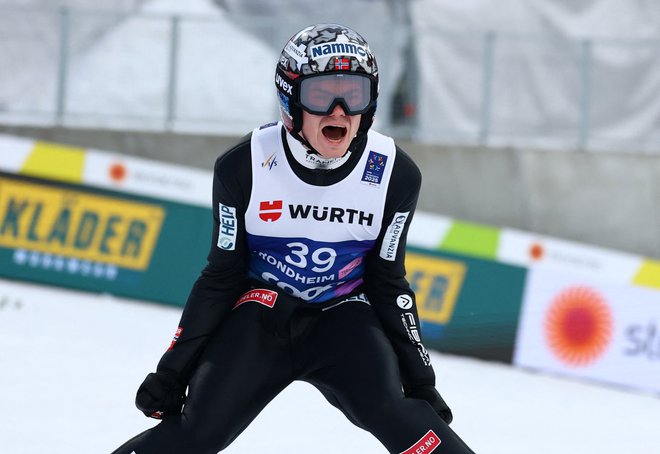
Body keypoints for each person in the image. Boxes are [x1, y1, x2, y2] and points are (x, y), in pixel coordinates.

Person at [112, 23, 475, 454]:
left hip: (343, 320)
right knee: (197, 432)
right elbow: (221, 277)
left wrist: (421, 381)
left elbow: (388, 282)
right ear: (290, 100)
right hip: (262, 316)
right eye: (322, 96)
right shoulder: (243, 166)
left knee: (400, 413)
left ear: (370, 104)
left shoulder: (394, 174)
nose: (339, 112)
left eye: (353, 95)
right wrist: (171, 372)